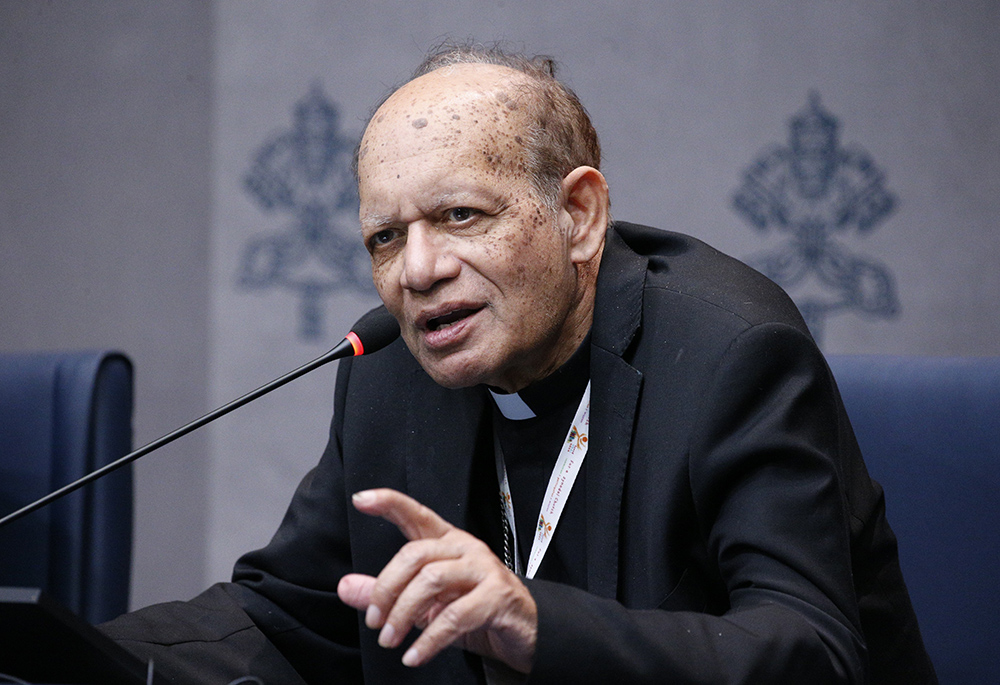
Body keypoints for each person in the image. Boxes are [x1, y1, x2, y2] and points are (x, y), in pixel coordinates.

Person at [101, 45, 937, 684]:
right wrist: (69, 652)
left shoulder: (731, 355)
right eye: (385, 237)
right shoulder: (392, 369)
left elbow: (814, 649)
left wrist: (535, 620)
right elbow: (289, 618)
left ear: (578, 214)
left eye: (460, 215)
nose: (417, 271)